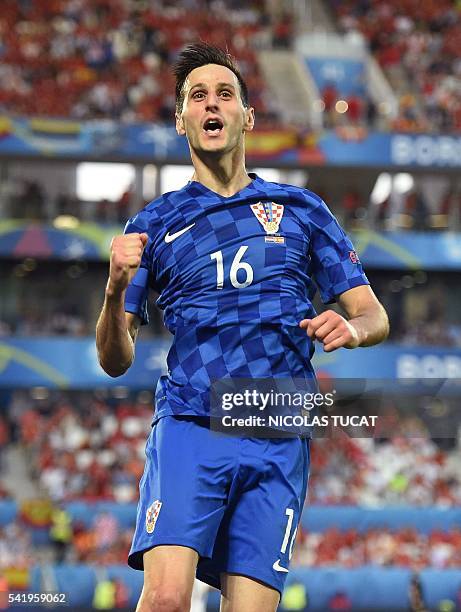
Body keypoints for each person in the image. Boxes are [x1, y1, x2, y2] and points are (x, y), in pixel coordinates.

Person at [95, 42, 389, 612]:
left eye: (224, 94)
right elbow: (114, 360)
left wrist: (351, 330)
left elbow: (373, 314)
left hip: (278, 431)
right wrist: (112, 291)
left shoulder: (302, 209)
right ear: (181, 120)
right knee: (164, 600)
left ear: (247, 116)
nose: (212, 104)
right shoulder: (153, 224)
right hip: (192, 422)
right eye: (197, 96)